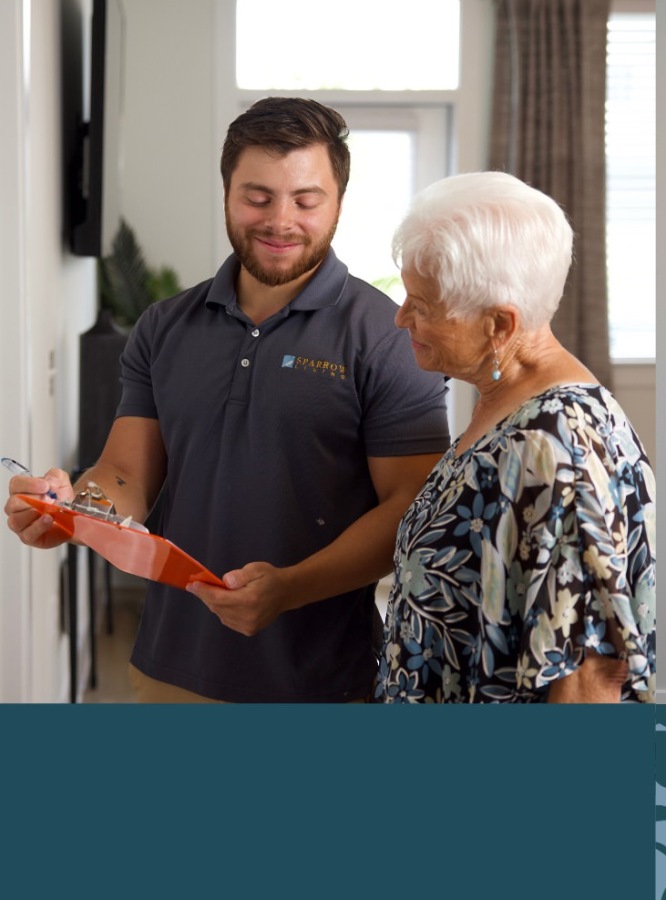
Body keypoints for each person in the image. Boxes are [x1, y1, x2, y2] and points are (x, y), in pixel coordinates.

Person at [3, 98, 451, 702]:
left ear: (339, 201)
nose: (280, 220)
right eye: (257, 197)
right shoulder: (164, 326)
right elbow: (123, 475)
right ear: (226, 193)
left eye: (306, 200)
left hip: (324, 684)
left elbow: (410, 507)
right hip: (168, 671)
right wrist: (72, 512)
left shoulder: (388, 335)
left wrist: (287, 588)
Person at [378, 171, 655, 703]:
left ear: (499, 325)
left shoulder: (553, 447)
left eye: (423, 306)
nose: (400, 318)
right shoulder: (504, 406)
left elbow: (588, 680)